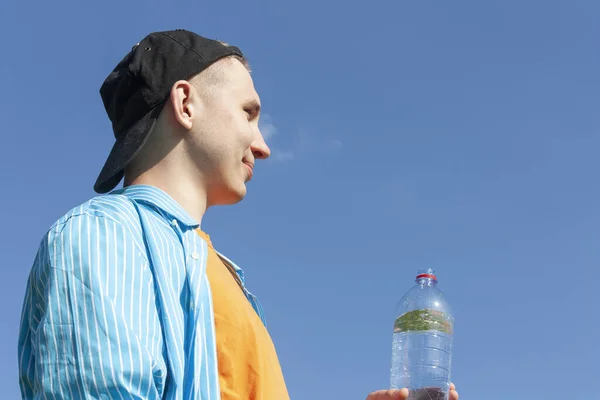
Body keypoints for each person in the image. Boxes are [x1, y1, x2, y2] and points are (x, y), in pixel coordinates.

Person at [17, 29, 459, 400]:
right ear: (186, 104)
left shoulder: (222, 275)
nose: (263, 145)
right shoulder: (104, 237)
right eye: (249, 113)